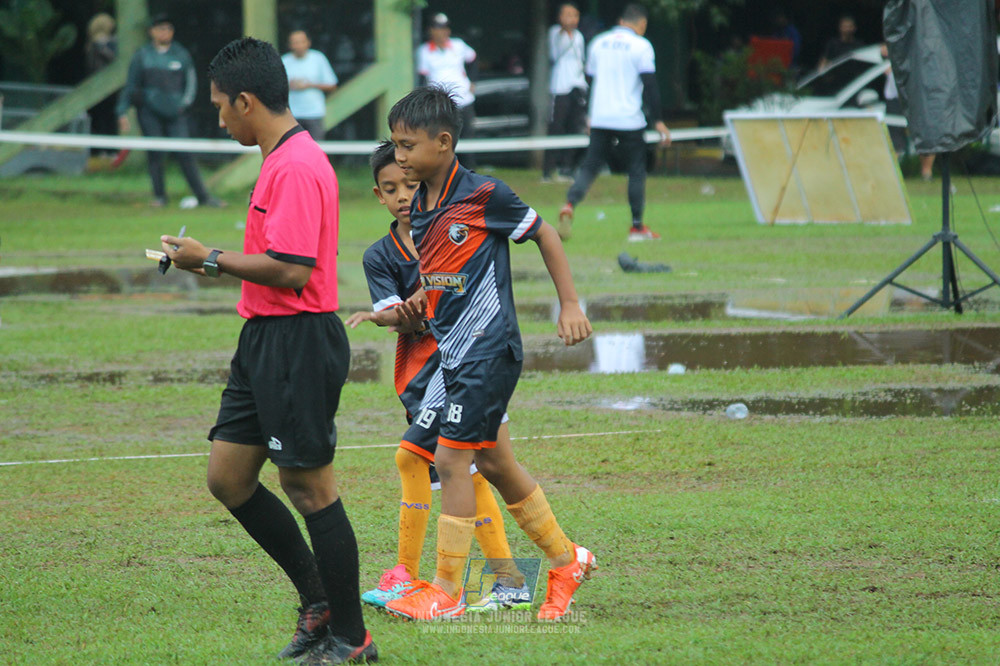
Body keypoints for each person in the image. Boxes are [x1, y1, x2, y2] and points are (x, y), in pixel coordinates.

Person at [158, 37, 375, 665]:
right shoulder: (276, 157)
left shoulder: (298, 165)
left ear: (247, 101)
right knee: (228, 478)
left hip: (299, 341)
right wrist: (208, 265)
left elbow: (295, 270)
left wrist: (215, 258)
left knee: (310, 487)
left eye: (221, 106)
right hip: (262, 338)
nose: (218, 117)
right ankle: (320, 603)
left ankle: (353, 640)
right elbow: (275, 264)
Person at [383, 86, 596, 622]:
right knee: (497, 462)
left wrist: (569, 303)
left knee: (451, 460)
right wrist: (417, 304)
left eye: (407, 145)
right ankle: (567, 561)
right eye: (394, 145)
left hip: (489, 351)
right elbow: (446, 275)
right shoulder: (424, 207)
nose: (400, 156)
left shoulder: (484, 196)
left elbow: (546, 234)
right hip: (454, 354)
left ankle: (447, 589)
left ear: (444, 142)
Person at [345, 141, 529, 612]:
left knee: (417, 460)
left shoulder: (449, 226)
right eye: (392, 188)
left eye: (409, 184)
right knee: (470, 470)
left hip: (465, 363)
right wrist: (392, 315)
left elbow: (466, 287)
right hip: (421, 373)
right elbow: (400, 315)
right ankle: (513, 580)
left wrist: (425, 306)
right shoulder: (380, 256)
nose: (404, 195)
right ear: (379, 195)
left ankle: (417, 579)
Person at [558, 3, 671, 242]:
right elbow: (650, 85)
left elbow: (589, 80)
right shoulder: (642, 46)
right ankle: (637, 227)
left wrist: (589, 114)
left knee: (590, 165)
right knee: (636, 170)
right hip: (629, 118)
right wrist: (658, 121)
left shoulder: (598, 43)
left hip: (601, 116)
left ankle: (570, 203)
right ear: (642, 24)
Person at [116, 14, 224, 208]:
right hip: (149, 112)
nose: (164, 32)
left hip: (176, 113)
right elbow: (131, 86)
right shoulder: (142, 56)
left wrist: (182, 106)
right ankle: (159, 197)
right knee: (155, 155)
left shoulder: (181, 55)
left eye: (167, 29)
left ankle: (203, 197)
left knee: (185, 154)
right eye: (160, 28)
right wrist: (122, 111)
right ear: (152, 32)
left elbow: (190, 84)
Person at [416, 13, 478, 170]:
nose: (442, 32)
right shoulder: (424, 51)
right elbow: (422, 78)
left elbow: (473, 60)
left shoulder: (458, 45)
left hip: (464, 100)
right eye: (438, 29)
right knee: (443, 139)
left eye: (444, 29)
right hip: (441, 104)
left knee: (467, 137)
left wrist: (473, 81)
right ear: (431, 31)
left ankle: (469, 173)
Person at [542, 2, 588, 184]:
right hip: (560, 86)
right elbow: (555, 52)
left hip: (577, 85)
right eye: (567, 15)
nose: (571, 19)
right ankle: (548, 170)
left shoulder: (580, 37)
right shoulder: (555, 33)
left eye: (574, 15)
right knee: (556, 127)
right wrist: (565, 29)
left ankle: (566, 168)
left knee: (574, 126)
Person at [281, 30, 338, 141]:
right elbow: (275, 87)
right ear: (290, 45)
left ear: (308, 42)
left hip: (314, 113)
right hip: (292, 115)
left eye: (301, 42)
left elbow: (332, 85)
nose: (298, 45)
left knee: (316, 147)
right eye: (295, 42)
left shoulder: (318, 58)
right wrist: (289, 85)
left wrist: (310, 85)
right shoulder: (285, 61)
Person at [85, 13, 118, 159]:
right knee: (103, 119)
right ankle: (104, 151)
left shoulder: (97, 44)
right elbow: (111, 60)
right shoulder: (96, 44)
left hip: (107, 88)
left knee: (108, 119)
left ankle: (110, 150)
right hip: (102, 88)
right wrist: (102, 47)